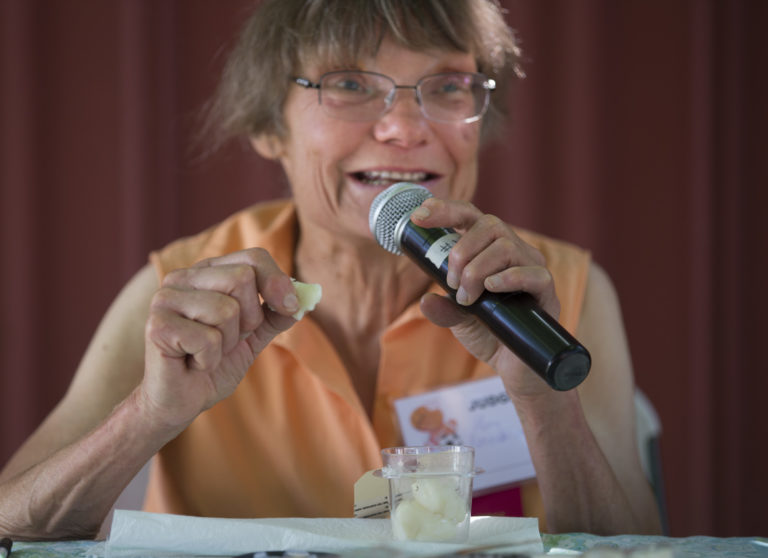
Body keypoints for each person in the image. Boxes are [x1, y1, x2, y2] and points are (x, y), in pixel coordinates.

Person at [0, 0, 662, 540]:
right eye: (349, 84)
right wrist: (148, 415)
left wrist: (544, 404)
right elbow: (13, 525)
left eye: (448, 85)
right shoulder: (182, 293)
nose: (405, 128)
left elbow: (644, 552)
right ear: (269, 128)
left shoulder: (557, 291)